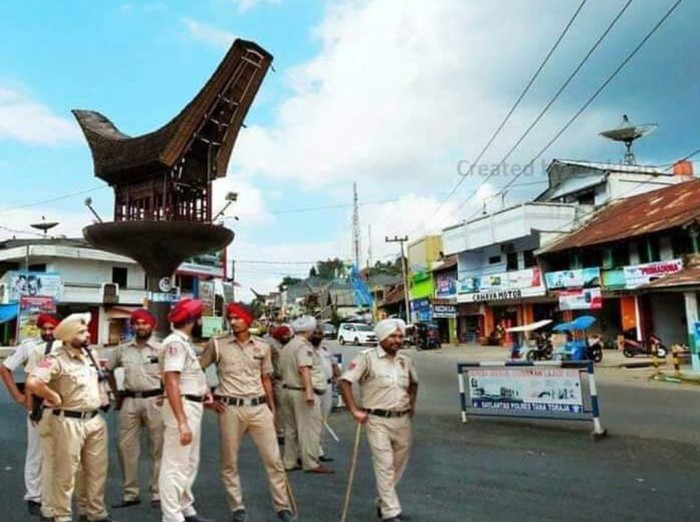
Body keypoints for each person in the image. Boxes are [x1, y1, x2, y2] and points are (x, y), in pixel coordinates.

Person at [200, 303, 296, 522]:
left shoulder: (262, 347)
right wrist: (208, 397)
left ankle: (283, 506)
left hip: (259, 407)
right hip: (230, 409)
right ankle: (237, 508)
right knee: (229, 461)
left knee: (274, 460)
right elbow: (197, 369)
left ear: (248, 320)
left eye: (238, 318)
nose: (233, 322)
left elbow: (266, 379)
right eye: (230, 318)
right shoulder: (217, 344)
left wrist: (271, 410)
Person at [26, 313, 117, 522]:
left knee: (96, 472)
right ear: (69, 335)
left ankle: (95, 513)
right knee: (65, 474)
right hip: (68, 421)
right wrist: (52, 396)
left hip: (94, 420)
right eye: (82, 331)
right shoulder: (54, 358)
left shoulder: (90, 355)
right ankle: (62, 515)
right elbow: (33, 382)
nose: (88, 334)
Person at [339, 319, 418, 522]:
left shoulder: (405, 360)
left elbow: (413, 383)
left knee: (398, 465)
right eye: (392, 336)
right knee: (384, 465)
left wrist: (412, 406)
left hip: (402, 420)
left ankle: (383, 502)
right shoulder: (366, 358)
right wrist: (354, 410)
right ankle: (391, 512)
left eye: (400, 336)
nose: (397, 340)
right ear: (381, 337)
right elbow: (345, 381)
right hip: (377, 419)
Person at [0, 313, 61, 517]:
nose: (47, 332)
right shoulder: (30, 347)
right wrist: (18, 396)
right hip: (38, 405)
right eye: (44, 328)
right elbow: (5, 368)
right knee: (36, 450)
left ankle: (55, 494)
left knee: (61, 451)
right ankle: (34, 495)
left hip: (63, 406)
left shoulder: (67, 345)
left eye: (52, 328)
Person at [158, 298, 213, 522]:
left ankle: (185, 507)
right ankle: (172, 516)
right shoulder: (176, 344)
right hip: (182, 406)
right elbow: (171, 381)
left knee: (189, 461)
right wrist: (181, 421)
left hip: (192, 404)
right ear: (192, 321)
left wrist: (204, 389)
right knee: (175, 464)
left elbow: (189, 374)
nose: (202, 322)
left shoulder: (184, 342)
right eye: (200, 319)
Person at [107, 309, 164, 510]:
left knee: (158, 448)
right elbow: (108, 371)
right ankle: (130, 493)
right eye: (137, 323)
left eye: (144, 323)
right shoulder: (122, 349)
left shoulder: (161, 348)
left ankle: (157, 492)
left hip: (156, 400)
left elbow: (174, 375)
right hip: (129, 400)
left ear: (152, 325)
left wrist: (166, 395)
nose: (140, 326)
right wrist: (115, 394)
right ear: (132, 326)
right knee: (125, 448)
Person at [279, 316, 332, 474]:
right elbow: (304, 369)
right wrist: (309, 392)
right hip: (302, 392)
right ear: (309, 330)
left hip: (287, 389)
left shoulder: (288, 346)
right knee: (309, 429)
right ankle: (311, 462)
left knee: (291, 429)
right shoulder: (304, 347)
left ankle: (289, 461)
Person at [308, 325, 340, 461]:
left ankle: (319, 449)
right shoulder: (305, 349)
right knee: (312, 421)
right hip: (312, 389)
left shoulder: (326, 348)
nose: (317, 335)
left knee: (323, 420)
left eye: (319, 332)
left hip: (327, 387)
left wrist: (339, 379)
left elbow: (334, 365)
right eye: (314, 332)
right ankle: (309, 452)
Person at [265, 324, 293, 444]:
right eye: (286, 335)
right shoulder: (272, 345)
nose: (288, 337)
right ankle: (279, 432)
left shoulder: (283, 345)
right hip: (277, 380)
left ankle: (280, 430)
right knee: (279, 407)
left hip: (285, 380)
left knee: (283, 407)